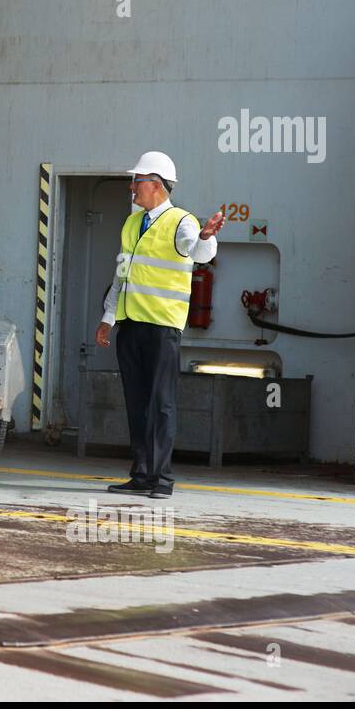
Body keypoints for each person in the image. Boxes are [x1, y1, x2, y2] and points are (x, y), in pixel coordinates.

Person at [95, 151, 225, 498]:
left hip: (162, 327)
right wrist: (109, 317)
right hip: (130, 324)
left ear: (156, 185)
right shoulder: (131, 223)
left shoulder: (181, 221)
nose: (131, 187)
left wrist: (206, 237)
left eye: (136, 181)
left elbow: (197, 252)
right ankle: (140, 475)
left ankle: (162, 480)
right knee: (136, 402)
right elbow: (121, 272)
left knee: (161, 403)